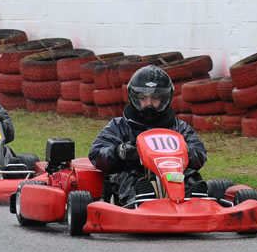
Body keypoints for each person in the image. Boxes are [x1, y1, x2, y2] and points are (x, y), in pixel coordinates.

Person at [89, 65, 207, 207]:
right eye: (143, 98)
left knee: (189, 176)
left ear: (165, 98)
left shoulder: (178, 127)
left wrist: (185, 151)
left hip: (171, 174)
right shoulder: (120, 126)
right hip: (132, 173)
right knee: (130, 178)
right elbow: (96, 153)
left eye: (155, 98)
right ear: (134, 97)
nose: (149, 104)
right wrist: (119, 152)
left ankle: (196, 200)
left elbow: (200, 152)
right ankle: (141, 201)